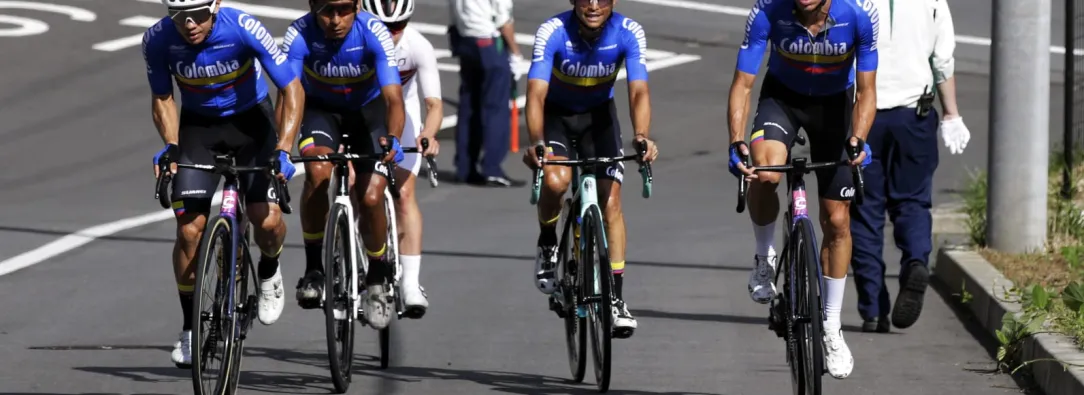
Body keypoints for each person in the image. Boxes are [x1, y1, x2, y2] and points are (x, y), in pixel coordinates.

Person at [142, 0, 304, 368]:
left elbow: (292, 88)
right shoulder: (157, 39)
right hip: (199, 128)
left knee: (265, 219)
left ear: (215, 6)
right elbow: (163, 96)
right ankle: (189, 328)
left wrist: (283, 147)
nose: (189, 24)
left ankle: (269, 268)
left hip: (252, 125)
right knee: (189, 230)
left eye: (198, 14)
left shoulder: (243, 26)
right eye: (179, 17)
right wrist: (170, 144)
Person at [727, 0, 879, 379]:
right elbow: (743, 85)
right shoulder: (767, 11)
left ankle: (830, 326)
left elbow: (867, 89)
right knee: (765, 174)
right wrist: (735, 141)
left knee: (837, 220)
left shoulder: (859, 13)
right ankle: (765, 257)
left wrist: (859, 138)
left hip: (834, 109)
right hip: (783, 101)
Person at [523, 0, 660, 339]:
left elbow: (638, 89)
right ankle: (547, 241)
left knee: (611, 202)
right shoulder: (552, 31)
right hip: (556, 117)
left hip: (599, 118)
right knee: (556, 182)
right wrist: (536, 140)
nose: (594, 5)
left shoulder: (629, 32)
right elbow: (536, 94)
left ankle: (614, 299)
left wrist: (642, 136)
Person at [281, 0, 406, 330]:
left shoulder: (373, 32)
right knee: (317, 171)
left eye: (344, 9)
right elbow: (288, 92)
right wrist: (280, 147)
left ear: (358, 5)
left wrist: (394, 137)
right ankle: (313, 270)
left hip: (369, 114)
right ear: (312, 6)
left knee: (370, 197)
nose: (335, 19)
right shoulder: (299, 33)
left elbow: (394, 97)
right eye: (326, 10)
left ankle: (378, 277)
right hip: (321, 112)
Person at [852, 0, 969, 333]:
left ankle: (873, 309)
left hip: (862, 114)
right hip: (914, 113)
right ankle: (915, 261)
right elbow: (942, 60)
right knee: (913, 201)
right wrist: (951, 114)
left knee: (864, 209)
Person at [359, 0, 444, 318]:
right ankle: (351, 260)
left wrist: (429, 135)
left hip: (402, 115)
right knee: (356, 185)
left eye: (396, 27)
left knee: (404, 193)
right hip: (362, 115)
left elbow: (433, 104)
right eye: (381, 27)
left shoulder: (417, 45)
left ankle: (410, 282)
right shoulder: (354, 41)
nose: (390, 35)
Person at [448, 0, 525, 187]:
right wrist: (515, 53)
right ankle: (492, 168)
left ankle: (465, 167)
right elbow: (503, 19)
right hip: (488, 41)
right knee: (496, 107)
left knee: (468, 104)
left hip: (464, 37)